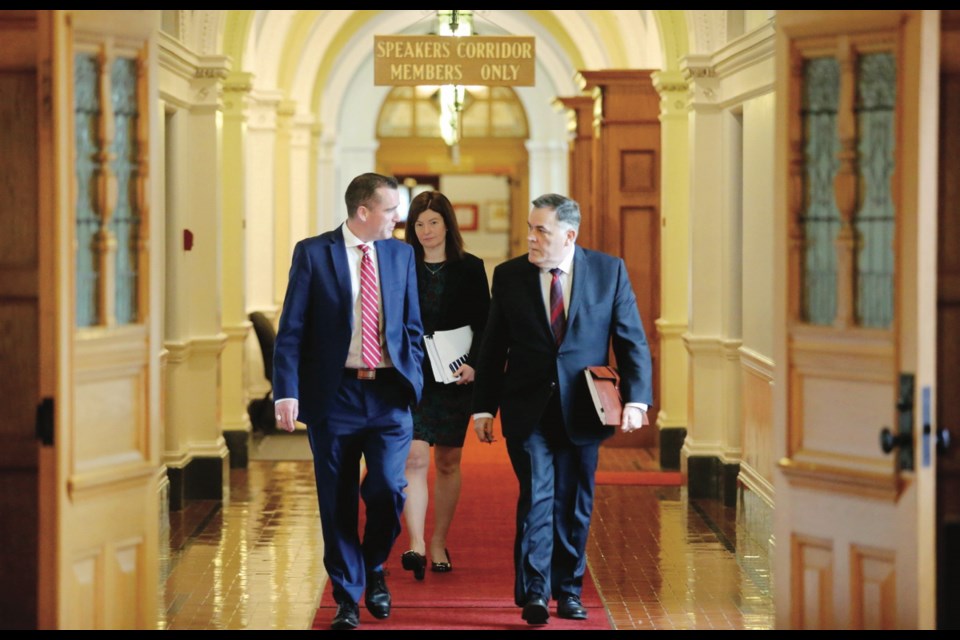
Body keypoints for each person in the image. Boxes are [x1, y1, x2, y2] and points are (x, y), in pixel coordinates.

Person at [471, 193, 652, 625]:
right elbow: (494, 345)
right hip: (526, 408)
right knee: (537, 495)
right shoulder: (510, 276)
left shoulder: (608, 272)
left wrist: (637, 399)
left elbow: (631, 340)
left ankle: (568, 590)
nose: (531, 238)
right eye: (530, 229)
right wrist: (482, 409)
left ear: (569, 235)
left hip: (585, 408)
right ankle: (535, 590)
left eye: (541, 231)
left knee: (573, 503)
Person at [272, 172, 424, 631]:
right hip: (333, 394)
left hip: (387, 394)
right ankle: (347, 595)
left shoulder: (400, 255)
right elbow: (292, 329)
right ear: (364, 212)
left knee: (388, 489)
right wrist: (287, 390)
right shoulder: (314, 253)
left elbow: (411, 326)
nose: (399, 218)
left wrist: (412, 376)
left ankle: (374, 563)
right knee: (336, 498)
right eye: (391, 209)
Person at [398, 191, 490, 581]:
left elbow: (485, 323)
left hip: (454, 377)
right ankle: (415, 543)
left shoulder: (470, 268)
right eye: (419, 224)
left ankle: (439, 540)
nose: (426, 231)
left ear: (447, 225)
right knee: (414, 459)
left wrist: (475, 365)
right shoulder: (402, 265)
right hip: (413, 375)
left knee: (448, 462)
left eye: (433, 222)